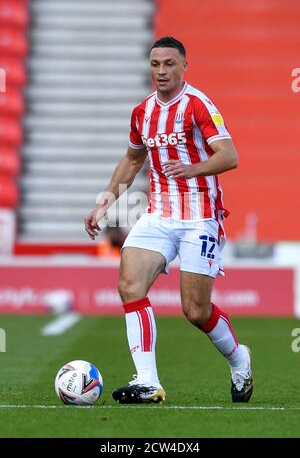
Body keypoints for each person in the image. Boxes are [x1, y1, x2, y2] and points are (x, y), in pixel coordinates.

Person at [84, 36, 253, 404]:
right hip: (159, 214)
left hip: (200, 217)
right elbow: (131, 161)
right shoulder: (142, 112)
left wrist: (192, 168)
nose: (161, 71)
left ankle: (240, 359)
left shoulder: (198, 105)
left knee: (196, 311)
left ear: (183, 67)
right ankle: (147, 381)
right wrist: (105, 203)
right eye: (155, 64)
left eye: (169, 64)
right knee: (130, 285)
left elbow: (230, 155)